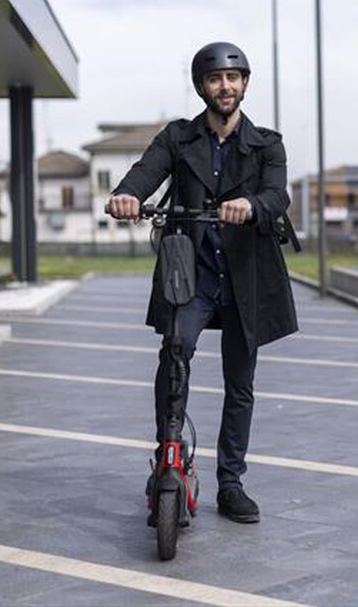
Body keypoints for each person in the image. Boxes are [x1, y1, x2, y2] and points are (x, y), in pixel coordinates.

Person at [107, 41, 297, 524]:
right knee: (174, 350)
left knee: (240, 382)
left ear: (245, 84)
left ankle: (230, 483)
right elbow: (144, 172)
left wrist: (253, 206)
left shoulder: (267, 144)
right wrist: (127, 195)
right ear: (202, 87)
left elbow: (278, 194)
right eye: (215, 80)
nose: (225, 86)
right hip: (190, 272)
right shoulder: (178, 138)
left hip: (245, 277)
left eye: (233, 79)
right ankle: (168, 458)